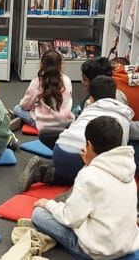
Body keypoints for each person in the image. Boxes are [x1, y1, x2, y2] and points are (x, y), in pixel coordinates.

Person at [30, 116, 139, 260]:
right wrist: (90, 164)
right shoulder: (128, 169)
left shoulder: (88, 175)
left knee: (39, 214)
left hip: (98, 252)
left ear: (89, 144)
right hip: (127, 245)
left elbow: (71, 219)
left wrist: (48, 204)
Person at [18, 75, 135, 191]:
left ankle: (49, 173)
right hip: (84, 159)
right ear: (115, 96)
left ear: (92, 99)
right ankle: (58, 178)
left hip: (60, 150)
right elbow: (120, 155)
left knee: (46, 134)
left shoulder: (89, 109)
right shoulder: (123, 117)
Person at [13, 50, 74, 131]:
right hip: (64, 122)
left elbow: (25, 106)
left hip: (43, 124)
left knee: (17, 108)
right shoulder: (67, 80)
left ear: (41, 64)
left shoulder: (37, 82)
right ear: (60, 65)